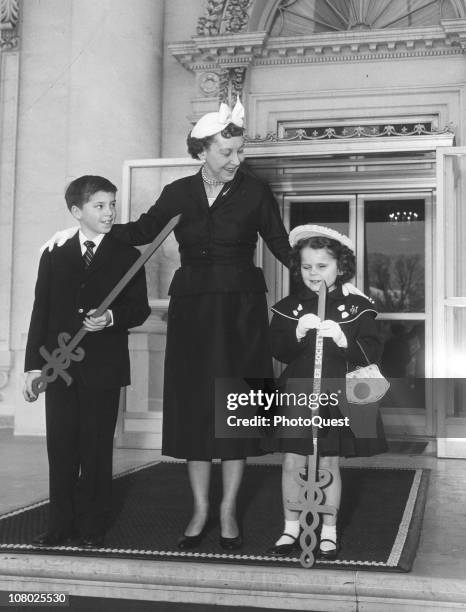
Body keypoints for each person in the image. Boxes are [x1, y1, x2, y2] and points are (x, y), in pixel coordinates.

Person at [24, 175, 150, 548]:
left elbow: (138, 309)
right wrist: (33, 366)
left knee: (96, 449)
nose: (109, 212)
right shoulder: (54, 253)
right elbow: (41, 309)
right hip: (57, 366)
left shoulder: (127, 254)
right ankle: (59, 525)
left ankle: (93, 527)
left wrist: (110, 319)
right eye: (99, 206)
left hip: (104, 368)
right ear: (77, 211)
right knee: (61, 448)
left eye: (112, 204)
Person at [266, 224, 387, 559]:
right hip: (299, 393)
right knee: (292, 461)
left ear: (340, 266)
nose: (313, 273)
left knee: (328, 462)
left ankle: (328, 531)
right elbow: (279, 350)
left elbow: (372, 352)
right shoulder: (289, 306)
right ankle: (291, 528)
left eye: (322, 266)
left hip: (338, 394)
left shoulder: (359, 306)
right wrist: (297, 333)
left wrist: (345, 339)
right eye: (306, 267)